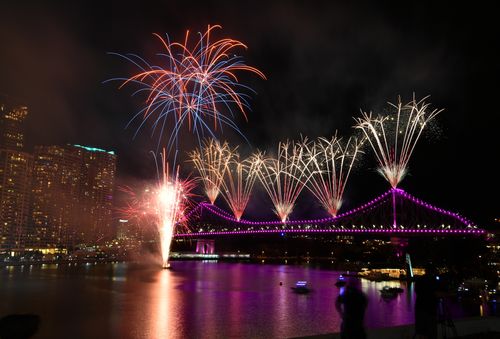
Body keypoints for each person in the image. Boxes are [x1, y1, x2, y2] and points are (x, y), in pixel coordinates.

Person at [414, 264, 442, 339]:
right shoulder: (433, 280)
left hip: (419, 309)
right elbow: (437, 293)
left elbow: (417, 291)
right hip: (430, 310)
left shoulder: (419, 280)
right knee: (431, 332)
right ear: (432, 271)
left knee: (422, 332)